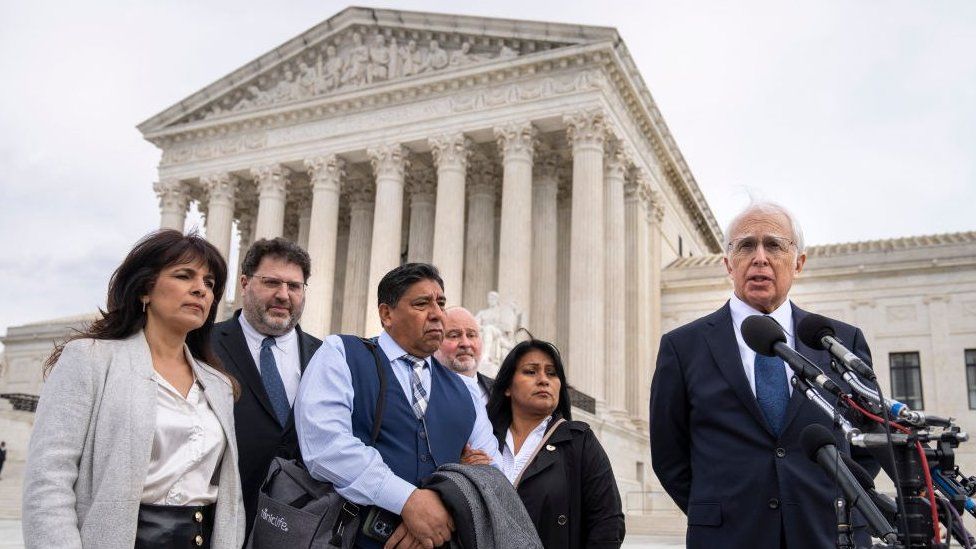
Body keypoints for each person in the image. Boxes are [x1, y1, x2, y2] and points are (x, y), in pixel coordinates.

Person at [649, 202, 878, 549]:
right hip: (728, 536)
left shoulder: (841, 342)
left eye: (773, 245)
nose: (759, 258)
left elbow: (871, 438)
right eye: (745, 246)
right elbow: (669, 454)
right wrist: (721, 508)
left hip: (829, 533)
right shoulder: (682, 347)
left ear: (798, 262)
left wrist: (836, 499)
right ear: (728, 263)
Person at [22, 229, 245, 549]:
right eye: (184, 276)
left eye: (209, 283)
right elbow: (48, 483)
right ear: (145, 290)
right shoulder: (90, 359)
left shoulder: (218, 385)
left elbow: (227, 497)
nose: (201, 290)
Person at [295, 263, 501, 549]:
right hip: (351, 538)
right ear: (386, 314)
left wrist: (445, 505)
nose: (437, 314)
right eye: (421, 304)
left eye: (441, 303)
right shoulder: (341, 354)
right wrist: (408, 501)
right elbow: (325, 446)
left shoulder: (465, 390)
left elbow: (493, 472)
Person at [211, 238, 322, 538]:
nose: (283, 295)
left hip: (299, 528)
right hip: (217, 522)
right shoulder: (202, 346)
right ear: (244, 283)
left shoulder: (327, 358)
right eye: (271, 282)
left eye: (294, 286)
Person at [475, 339, 624, 549]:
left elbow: (608, 522)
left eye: (552, 373)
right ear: (507, 387)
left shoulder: (579, 441)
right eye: (530, 371)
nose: (543, 380)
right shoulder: (482, 439)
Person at [434, 306, 492, 406]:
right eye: (454, 336)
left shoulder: (501, 392)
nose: (465, 343)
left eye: (471, 335)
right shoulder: (421, 390)